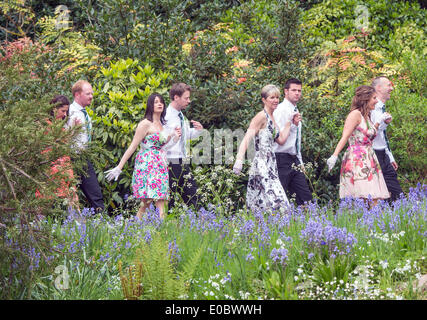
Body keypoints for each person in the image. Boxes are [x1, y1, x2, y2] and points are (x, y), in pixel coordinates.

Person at [105, 93, 181, 219]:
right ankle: (154, 231)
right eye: (156, 102)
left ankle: (157, 231)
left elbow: (163, 147)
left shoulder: (162, 125)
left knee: (158, 199)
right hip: (147, 164)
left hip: (160, 164)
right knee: (147, 201)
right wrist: (119, 167)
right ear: (150, 105)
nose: (159, 104)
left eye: (161, 102)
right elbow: (133, 146)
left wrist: (174, 136)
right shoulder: (145, 124)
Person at [326, 85, 390, 205]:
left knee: (374, 197)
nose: (376, 101)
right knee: (365, 197)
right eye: (374, 98)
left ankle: (372, 223)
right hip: (357, 159)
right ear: (365, 99)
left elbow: (368, 134)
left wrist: (380, 122)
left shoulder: (367, 116)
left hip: (369, 157)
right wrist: (334, 156)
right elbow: (345, 136)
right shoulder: (354, 115)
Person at [233, 84, 292, 213]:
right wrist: (239, 159)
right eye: (272, 97)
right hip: (261, 163)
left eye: (277, 97)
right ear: (264, 100)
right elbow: (247, 137)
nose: (275, 100)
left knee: (262, 204)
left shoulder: (272, 118)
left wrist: (289, 123)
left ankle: (263, 229)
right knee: (279, 203)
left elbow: (281, 140)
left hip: (271, 163)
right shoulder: (261, 116)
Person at [272, 78, 313, 206]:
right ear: (286, 91)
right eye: (294, 90)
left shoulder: (295, 109)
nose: (297, 93)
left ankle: (311, 224)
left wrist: (300, 162)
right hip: (280, 159)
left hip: (294, 159)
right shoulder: (280, 109)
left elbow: (296, 140)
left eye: (299, 91)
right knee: (278, 200)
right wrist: (293, 125)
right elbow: (277, 137)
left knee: (306, 199)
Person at [36, 95, 79, 212]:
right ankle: (37, 225)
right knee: (45, 198)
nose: (65, 115)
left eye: (66, 111)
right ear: (54, 109)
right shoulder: (45, 124)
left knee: (72, 194)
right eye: (63, 111)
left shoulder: (60, 126)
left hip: (64, 166)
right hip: (50, 166)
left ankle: (79, 227)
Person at [164, 83, 204, 209]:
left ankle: (200, 224)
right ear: (176, 97)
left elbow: (184, 136)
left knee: (193, 197)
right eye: (186, 98)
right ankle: (163, 225)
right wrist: (173, 137)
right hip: (170, 162)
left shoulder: (181, 116)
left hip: (183, 161)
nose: (189, 101)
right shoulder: (166, 116)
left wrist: (198, 131)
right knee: (169, 200)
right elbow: (161, 141)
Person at [67, 80, 105, 213]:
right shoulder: (69, 112)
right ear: (77, 94)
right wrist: (73, 130)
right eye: (88, 94)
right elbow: (61, 138)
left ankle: (102, 223)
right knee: (70, 195)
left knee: (95, 192)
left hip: (84, 157)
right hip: (71, 158)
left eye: (92, 94)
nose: (91, 96)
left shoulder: (85, 113)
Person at [370, 76, 403, 202]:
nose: (391, 88)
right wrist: (383, 122)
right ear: (378, 88)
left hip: (383, 154)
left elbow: (382, 135)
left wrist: (390, 156)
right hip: (374, 154)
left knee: (394, 193)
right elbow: (371, 133)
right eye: (388, 85)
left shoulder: (381, 108)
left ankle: (397, 217)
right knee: (380, 195)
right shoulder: (372, 108)